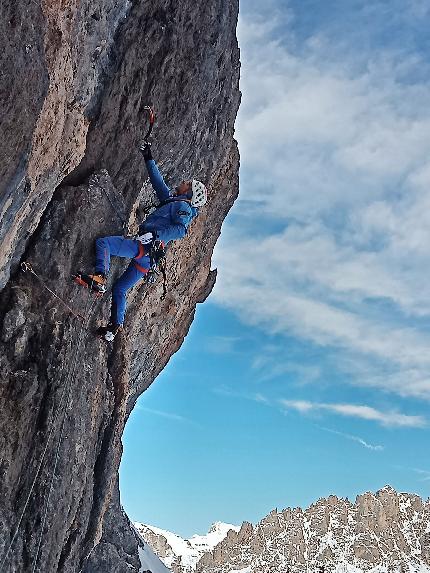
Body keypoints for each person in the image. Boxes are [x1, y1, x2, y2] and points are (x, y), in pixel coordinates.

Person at [75, 143, 207, 341]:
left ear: (189, 193)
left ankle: (100, 277)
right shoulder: (173, 201)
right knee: (120, 289)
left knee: (104, 244)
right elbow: (158, 183)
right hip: (148, 258)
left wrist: (155, 236)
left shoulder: (183, 207)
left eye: (187, 183)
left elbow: (181, 230)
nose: (183, 182)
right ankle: (113, 329)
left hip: (146, 248)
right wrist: (148, 158)